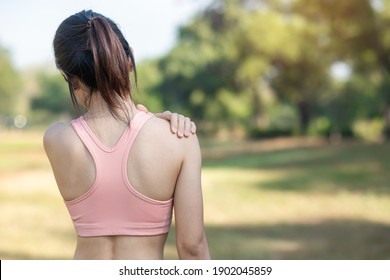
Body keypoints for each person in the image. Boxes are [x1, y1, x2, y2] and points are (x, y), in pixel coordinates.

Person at [43, 10, 210, 260]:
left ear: (71, 78)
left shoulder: (56, 139)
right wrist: (153, 120)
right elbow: (192, 248)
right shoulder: (178, 138)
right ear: (128, 60)